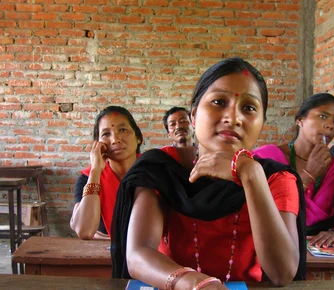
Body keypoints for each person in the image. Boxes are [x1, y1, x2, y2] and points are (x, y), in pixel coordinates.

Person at [111, 57, 306, 289]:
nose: (233, 118)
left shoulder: (274, 178)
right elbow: (138, 254)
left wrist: (250, 175)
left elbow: (282, 273)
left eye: (249, 108)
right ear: (193, 116)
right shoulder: (161, 169)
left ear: (262, 122)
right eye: (218, 102)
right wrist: (195, 283)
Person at [253, 93, 334, 248]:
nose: (330, 125)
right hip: (272, 245)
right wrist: (309, 174)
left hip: (318, 249)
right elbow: (259, 208)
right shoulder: (266, 158)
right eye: (323, 116)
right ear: (300, 120)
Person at [70, 106, 143, 240]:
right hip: (103, 255)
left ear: (138, 137)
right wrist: (95, 171)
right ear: (98, 144)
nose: (115, 139)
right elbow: (84, 231)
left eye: (122, 130)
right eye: (106, 134)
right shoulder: (87, 178)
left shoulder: (155, 172)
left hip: (151, 253)